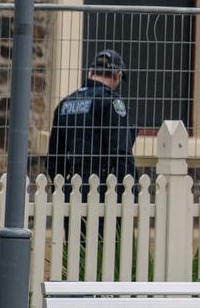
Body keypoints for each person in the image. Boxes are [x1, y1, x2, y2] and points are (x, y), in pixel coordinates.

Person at [45, 49, 137, 198]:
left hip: (70, 193)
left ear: (91, 72)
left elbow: (54, 159)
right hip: (103, 194)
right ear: (118, 75)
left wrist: (63, 192)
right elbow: (121, 154)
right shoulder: (111, 102)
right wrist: (129, 194)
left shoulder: (65, 104)